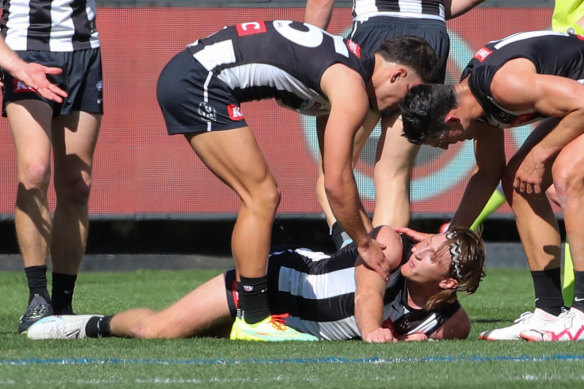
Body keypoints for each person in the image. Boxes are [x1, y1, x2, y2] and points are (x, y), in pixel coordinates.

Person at [154, 20, 439, 341]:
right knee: (261, 195)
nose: (400, 107)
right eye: (406, 96)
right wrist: (363, 243)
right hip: (198, 81)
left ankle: (91, 324)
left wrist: (366, 238)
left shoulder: (348, 62)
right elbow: (335, 180)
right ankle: (254, 318)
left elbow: (334, 176)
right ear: (397, 74)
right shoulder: (351, 88)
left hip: (192, 73)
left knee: (261, 194)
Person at [399, 30, 584, 341]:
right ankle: (548, 312)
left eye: (442, 141)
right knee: (516, 180)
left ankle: (581, 313)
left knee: (567, 175)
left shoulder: (504, 86)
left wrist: (539, 156)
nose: (446, 148)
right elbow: (489, 172)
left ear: (453, 121)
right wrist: (451, 236)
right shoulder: (477, 105)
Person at [25, 225, 486, 342]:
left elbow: (441, 333)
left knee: (203, 332)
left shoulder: (450, 321)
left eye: (434, 253)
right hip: (276, 284)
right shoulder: (389, 244)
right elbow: (368, 293)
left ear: (446, 280)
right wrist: (372, 332)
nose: (421, 248)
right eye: (429, 241)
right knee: (157, 331)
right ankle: (84, 325)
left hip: (293, 327)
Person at [305, 0, 484, 249]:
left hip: (373, 29)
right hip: (430, 35)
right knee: (394, 174)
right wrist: (436, 11)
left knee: (335, 168)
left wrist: (308, 56)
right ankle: (385, 274)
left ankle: (350, 253)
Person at [1, 0, 103, 333]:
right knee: (34, 171)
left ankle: (62, 301)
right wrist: (13, 65)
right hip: (24, 53)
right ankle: (37, 296)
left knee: (78, 183)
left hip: (83, 54)